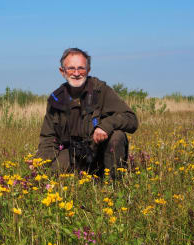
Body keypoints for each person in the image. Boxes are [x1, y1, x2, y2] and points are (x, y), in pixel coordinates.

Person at [32, 48, 138, 177]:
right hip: (73, 155)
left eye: (81, 68)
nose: (76, 73)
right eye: (71, 68)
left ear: (88, 70)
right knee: (46, 173)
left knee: (117, 136)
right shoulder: (56, 99)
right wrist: (40, 162)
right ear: (62, 72)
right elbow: (48, 138)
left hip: (99, 153)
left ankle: (113, 184)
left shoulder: (101, 91)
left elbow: (131, 119)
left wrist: (105, 126)